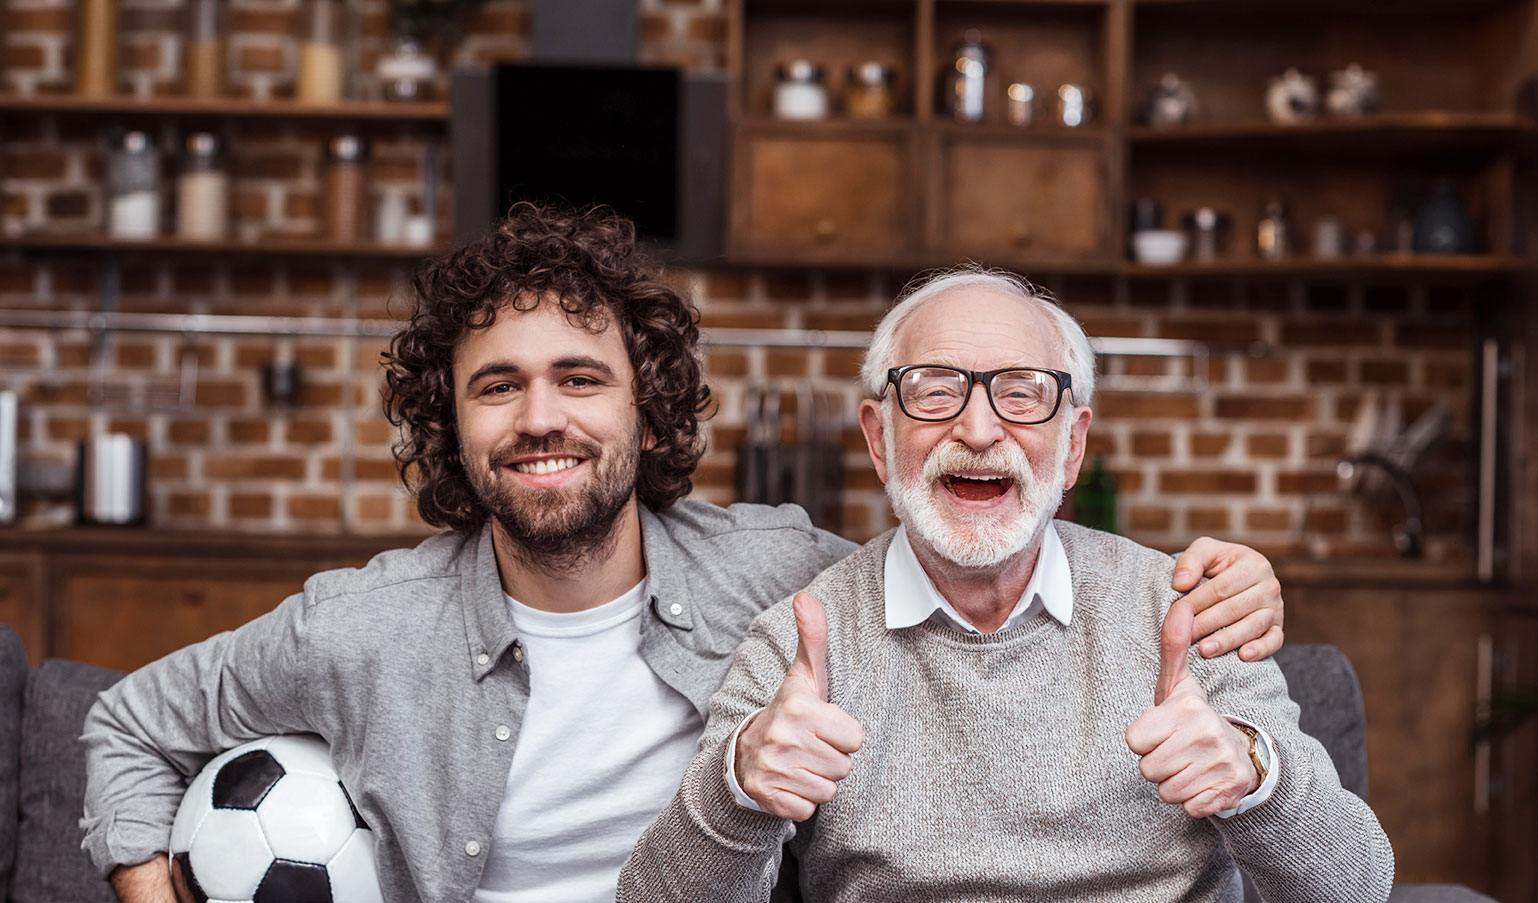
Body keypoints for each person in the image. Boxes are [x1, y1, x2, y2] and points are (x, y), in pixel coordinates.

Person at [82, 206, 1289, 903]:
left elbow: (967, 549)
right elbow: (128, 726)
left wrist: (1224, 582)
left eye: (580, 380)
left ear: (646, 414)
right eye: (497, 388)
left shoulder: (785, 579)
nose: (540, 417)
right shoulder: (360, 626)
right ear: (453, 427)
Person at [618, 267, 1394, 902]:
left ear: (1072, 443)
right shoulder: (801, 641)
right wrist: (737, 788)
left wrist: (1255, 779)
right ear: (879, 439)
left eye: (1021, 392)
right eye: (932, 390)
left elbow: (1355, 886)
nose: (980, 428)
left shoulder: (1184, 612)